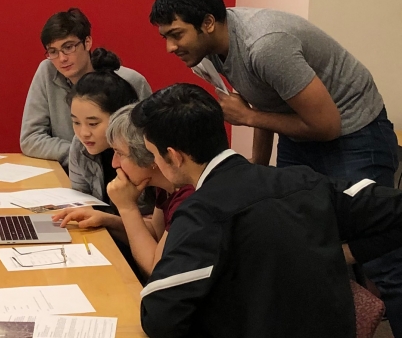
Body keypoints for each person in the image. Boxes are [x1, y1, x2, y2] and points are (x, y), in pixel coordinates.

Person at [150, 0, 401, 336]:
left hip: (352, 130)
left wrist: (248, 118)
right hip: (299, 125)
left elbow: (324, 125)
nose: (170, 48)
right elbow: (264, 100)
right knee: (288, 235)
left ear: (207, 23)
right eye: (165, 37)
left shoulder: (265, 45)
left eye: (176, 34)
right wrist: (255, 173)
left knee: (386, 267)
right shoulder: (205, 55)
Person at [131, 83, 402, 338]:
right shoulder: (307, 181)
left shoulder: (202, 212)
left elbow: (158, 317)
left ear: (175, 156)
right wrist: (344, 253)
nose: (154, 162)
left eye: (153, 154)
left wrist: (341, 253)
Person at [52, 104, 194, 278]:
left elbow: (154, 267)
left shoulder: (188, 195)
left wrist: (127, 207)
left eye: (120, 153)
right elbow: (155, 235)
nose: (114, 163)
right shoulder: (166, 187)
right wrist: (107, 220)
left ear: (150, 156)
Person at [20, 8, 152, 168]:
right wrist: (80, 157)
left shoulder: (129, 81)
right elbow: (30, 138)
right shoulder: (47, 71)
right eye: (53, 51)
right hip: (70, 170)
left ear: (87, 42)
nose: (62, 58)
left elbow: (147, 143)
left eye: (68, 47)